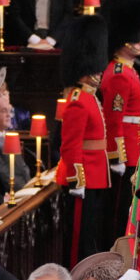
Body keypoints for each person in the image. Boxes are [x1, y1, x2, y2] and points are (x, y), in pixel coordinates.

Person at [58, 15, 112, 262]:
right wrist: (75, 179)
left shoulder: (90, 97)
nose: (100, 74)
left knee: (92, 232)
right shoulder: (78, 100)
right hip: (84, 177)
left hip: (96, 174)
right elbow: (70, 146)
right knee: (81, 236)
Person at [100, 0, 140, 237]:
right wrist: (116, 157)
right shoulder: (118, 74)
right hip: (125, 155)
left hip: (134, 150)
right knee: (120, 215)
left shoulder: (127, 70)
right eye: (135, 36)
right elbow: (113, 121)